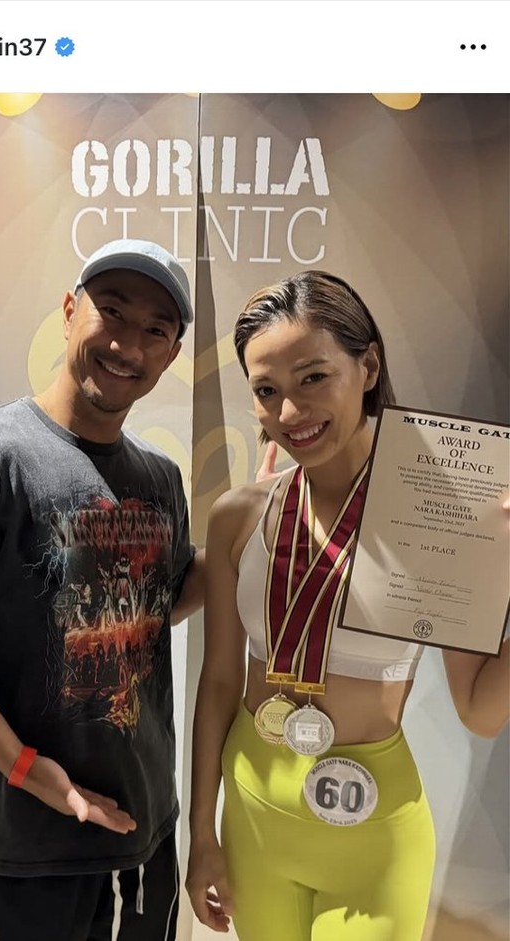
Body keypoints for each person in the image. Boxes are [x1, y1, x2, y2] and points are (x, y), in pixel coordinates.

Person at [0, 239, 205, 941]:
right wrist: (31, 771)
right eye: (112, 312)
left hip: (145, 832)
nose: (128, 345)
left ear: (172, 353)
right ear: (69, 310)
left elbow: (159, 602)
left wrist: (256, 527)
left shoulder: (160, 477)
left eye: (155, 330)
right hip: (26, 844)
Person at [186, 270, 509, 941]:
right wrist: (201, 834)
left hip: (376, 840)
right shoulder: (238, 517)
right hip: (253, 816)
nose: (290, 412)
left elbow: (480, 711)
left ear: (369, 367)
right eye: (267, 390)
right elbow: (218, 683)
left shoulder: (440, 516)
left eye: (313, 377)